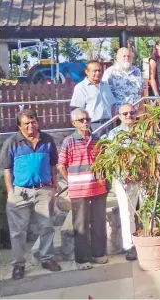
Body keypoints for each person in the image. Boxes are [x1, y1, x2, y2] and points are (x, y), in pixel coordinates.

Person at [1, 109, 62, 279]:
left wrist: (53, 186)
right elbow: (7, 170)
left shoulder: (47, 140)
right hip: (20, 192)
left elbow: (53, 165)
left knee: (47, 227)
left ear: (38, 121)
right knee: (18, 232)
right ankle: (18, 265)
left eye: (33, 121)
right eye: (26, 123)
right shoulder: (12, 142)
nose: (30, 125)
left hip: (44, 190)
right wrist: (10, 193)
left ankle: (47, 259)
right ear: (19, 126)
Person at [58, 108, 109, 270]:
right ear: (74, 123)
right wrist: (71, 181)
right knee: (80, 226)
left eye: (87, 119)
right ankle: (82, 259)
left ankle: (98, 254)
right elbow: (61, 166)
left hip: (98, 189)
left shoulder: (96, 139)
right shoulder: (69, 141)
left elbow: (104, 162)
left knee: (99, 223)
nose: (86, 122)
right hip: (79, 191)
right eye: (81, 120)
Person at [105, 104, 140, 261]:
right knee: (127, 214)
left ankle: (147, 240)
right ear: (118, 116)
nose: (128, 116)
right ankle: (130, 246)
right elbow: (111, 158)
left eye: (131, 113)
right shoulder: (113, 134)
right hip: (124, 180)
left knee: (147, 211)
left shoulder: (143, 131)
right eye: (124, 113)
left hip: (144, 178)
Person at [70, 61, 118, 132]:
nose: (98, 73)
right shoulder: (81, 87)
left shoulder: (106, 85)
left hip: (108, 124)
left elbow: (112, 107)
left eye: (100, 70)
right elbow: (77, 110)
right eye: (95, 71)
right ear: (87, 72)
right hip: (92, 126)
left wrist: (114, 126)